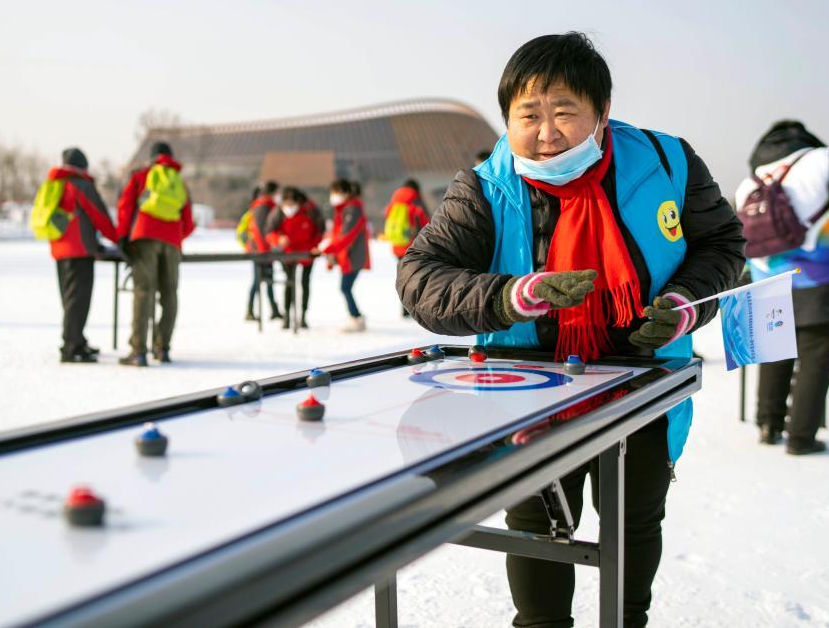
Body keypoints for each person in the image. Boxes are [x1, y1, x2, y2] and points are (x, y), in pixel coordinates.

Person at [397, 32, 744, 627]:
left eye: (564, 113)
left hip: (642, 382)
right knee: (536, 526)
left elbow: (720, 244)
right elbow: (419, 280)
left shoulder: (667, 163)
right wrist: (511, 295)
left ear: (602, 113)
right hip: (527, 389)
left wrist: (686, 302)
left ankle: (626, 618)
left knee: (634, 518)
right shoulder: (486, 186)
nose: (546, 132)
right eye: (528, 115)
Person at [735, 120, 829, 453]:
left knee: (775, 351)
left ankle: (768, 425)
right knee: (816, 356)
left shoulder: (749, 181)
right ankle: (801, 437)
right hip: (822, 276)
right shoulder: (827, 161)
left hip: (766, 279)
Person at [33, 148, 117, 362]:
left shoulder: (54, 184)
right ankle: (71, 346)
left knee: (69, 298)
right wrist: (117, 238)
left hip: (59, 248)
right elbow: (98, 215)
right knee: (78, 299)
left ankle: (77, 340)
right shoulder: (80, 185)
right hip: (79, 249)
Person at [116, 141, 195, 367]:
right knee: (170, 293)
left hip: (145, 237)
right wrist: (174, 236)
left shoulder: (141, 176)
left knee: (144, 291)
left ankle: (138, 351)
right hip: (172, 241)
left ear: (151, 157)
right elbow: (188, 222)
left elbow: (125, 206)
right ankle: (163, 348)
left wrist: (122, 236)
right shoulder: (179, 182)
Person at [266, 187, 324, 328]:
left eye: (292, 205)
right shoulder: (278, 212)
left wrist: (314, 246)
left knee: (305, 284)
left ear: (298, 203)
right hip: (288, 253)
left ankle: (303, 316)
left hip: (307, 253)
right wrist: (278, 239)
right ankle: (287, 316)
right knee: (289, 283)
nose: (289, 208)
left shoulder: (311, 211)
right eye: (286, 204)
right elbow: (269, 232)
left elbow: (320, 230)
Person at [319, 178, 371, 333]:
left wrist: (329, 249)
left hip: (352, 256)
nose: (333, 196)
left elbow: (346, 235)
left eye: (335, 193)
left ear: (345, 193)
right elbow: (338, 234)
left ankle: (356, 318)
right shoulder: (344, 210)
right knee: (345, 288)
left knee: (345, 287)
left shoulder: (352, 209)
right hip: (347, 255)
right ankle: (355, 317)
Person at [383, 179, 430, 316]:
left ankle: (404, 309)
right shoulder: (416, 200)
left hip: (397, 246)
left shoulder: (395, 200)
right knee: (416, 278)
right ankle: (415, 308)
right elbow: (425, 222)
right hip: (413, 246)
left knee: (403, 277)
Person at [243, 181, 283, 321]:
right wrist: (266, 248)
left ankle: (273, 309)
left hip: (264, 250)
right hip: (261, 250)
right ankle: (250, 310)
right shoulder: (263, 206)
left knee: (268, 280)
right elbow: (261, 230)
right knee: (258, 280)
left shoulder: (265, 205)